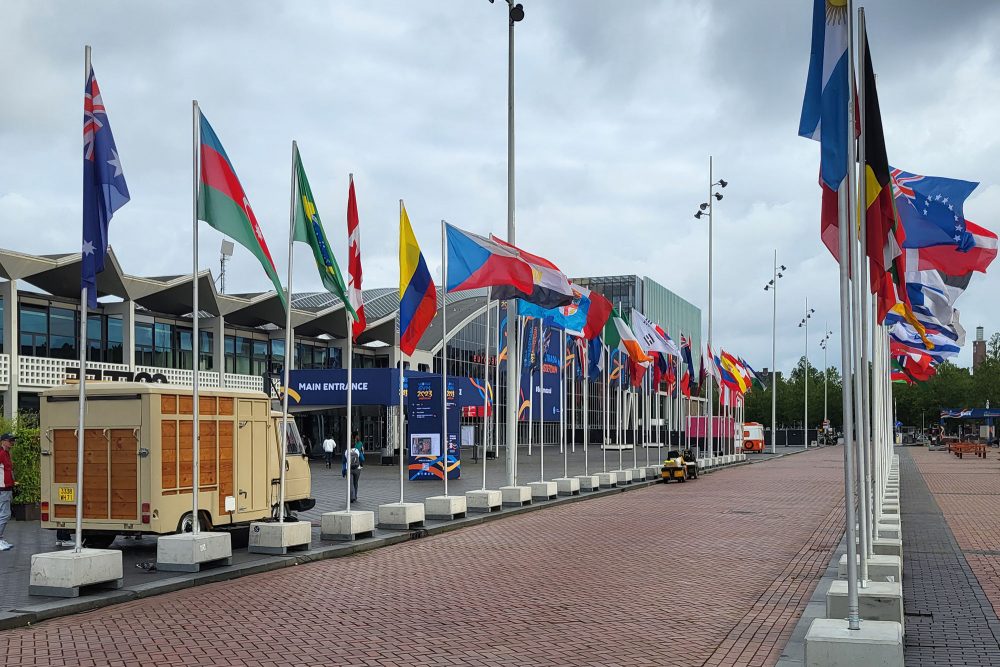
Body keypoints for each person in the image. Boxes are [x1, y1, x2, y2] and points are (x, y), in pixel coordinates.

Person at [0, 433, 16, 552]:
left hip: (7, 488)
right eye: (10, 441)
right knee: (5, 514)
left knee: (4, 513)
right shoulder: (1, 454)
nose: (12, 443)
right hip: (3, 489)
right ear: (3, 441)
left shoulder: (6, 454)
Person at [342, 432, 365, 503]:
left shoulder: (346, 451)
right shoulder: (357, 451)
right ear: (354, 445)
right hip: (357, 469)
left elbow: (343, 462)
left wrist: (343, 471)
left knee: (350, 483)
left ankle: (351, 497)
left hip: (349, 469)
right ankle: (355, 496)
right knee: (356, 483)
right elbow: (362, 459)